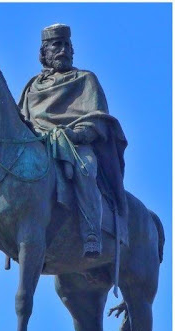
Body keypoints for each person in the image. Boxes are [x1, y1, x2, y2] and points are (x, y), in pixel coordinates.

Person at [19, 23, 128, 258]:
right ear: (44, 52)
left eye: (67, 45)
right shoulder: (32, 86)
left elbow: (97, 122)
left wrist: (74, 134)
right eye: (57, 45)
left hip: (75, 144)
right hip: (37, 144)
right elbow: (21, 121)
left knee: (86, 168)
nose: (64, 50)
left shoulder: (85, 79)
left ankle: (92, 233)